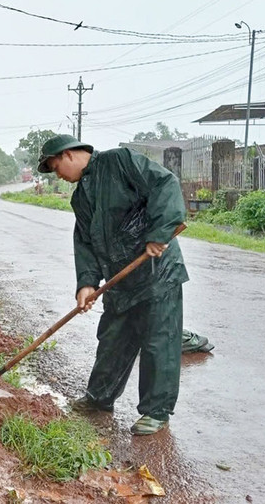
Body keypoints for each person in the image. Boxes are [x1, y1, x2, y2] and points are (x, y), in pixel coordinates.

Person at [37, 134, 188, 436]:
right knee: (112, 339)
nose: (58, 175)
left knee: (158, 342)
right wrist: (86, 284)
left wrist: (160, 231)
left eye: (55, 168)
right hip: (120, 280)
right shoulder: (80, 197)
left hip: (156, 271)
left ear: (67, 155)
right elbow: (84, 242)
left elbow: (164, 183)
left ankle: (156, 412)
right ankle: (99, 398)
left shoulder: (119, 161)